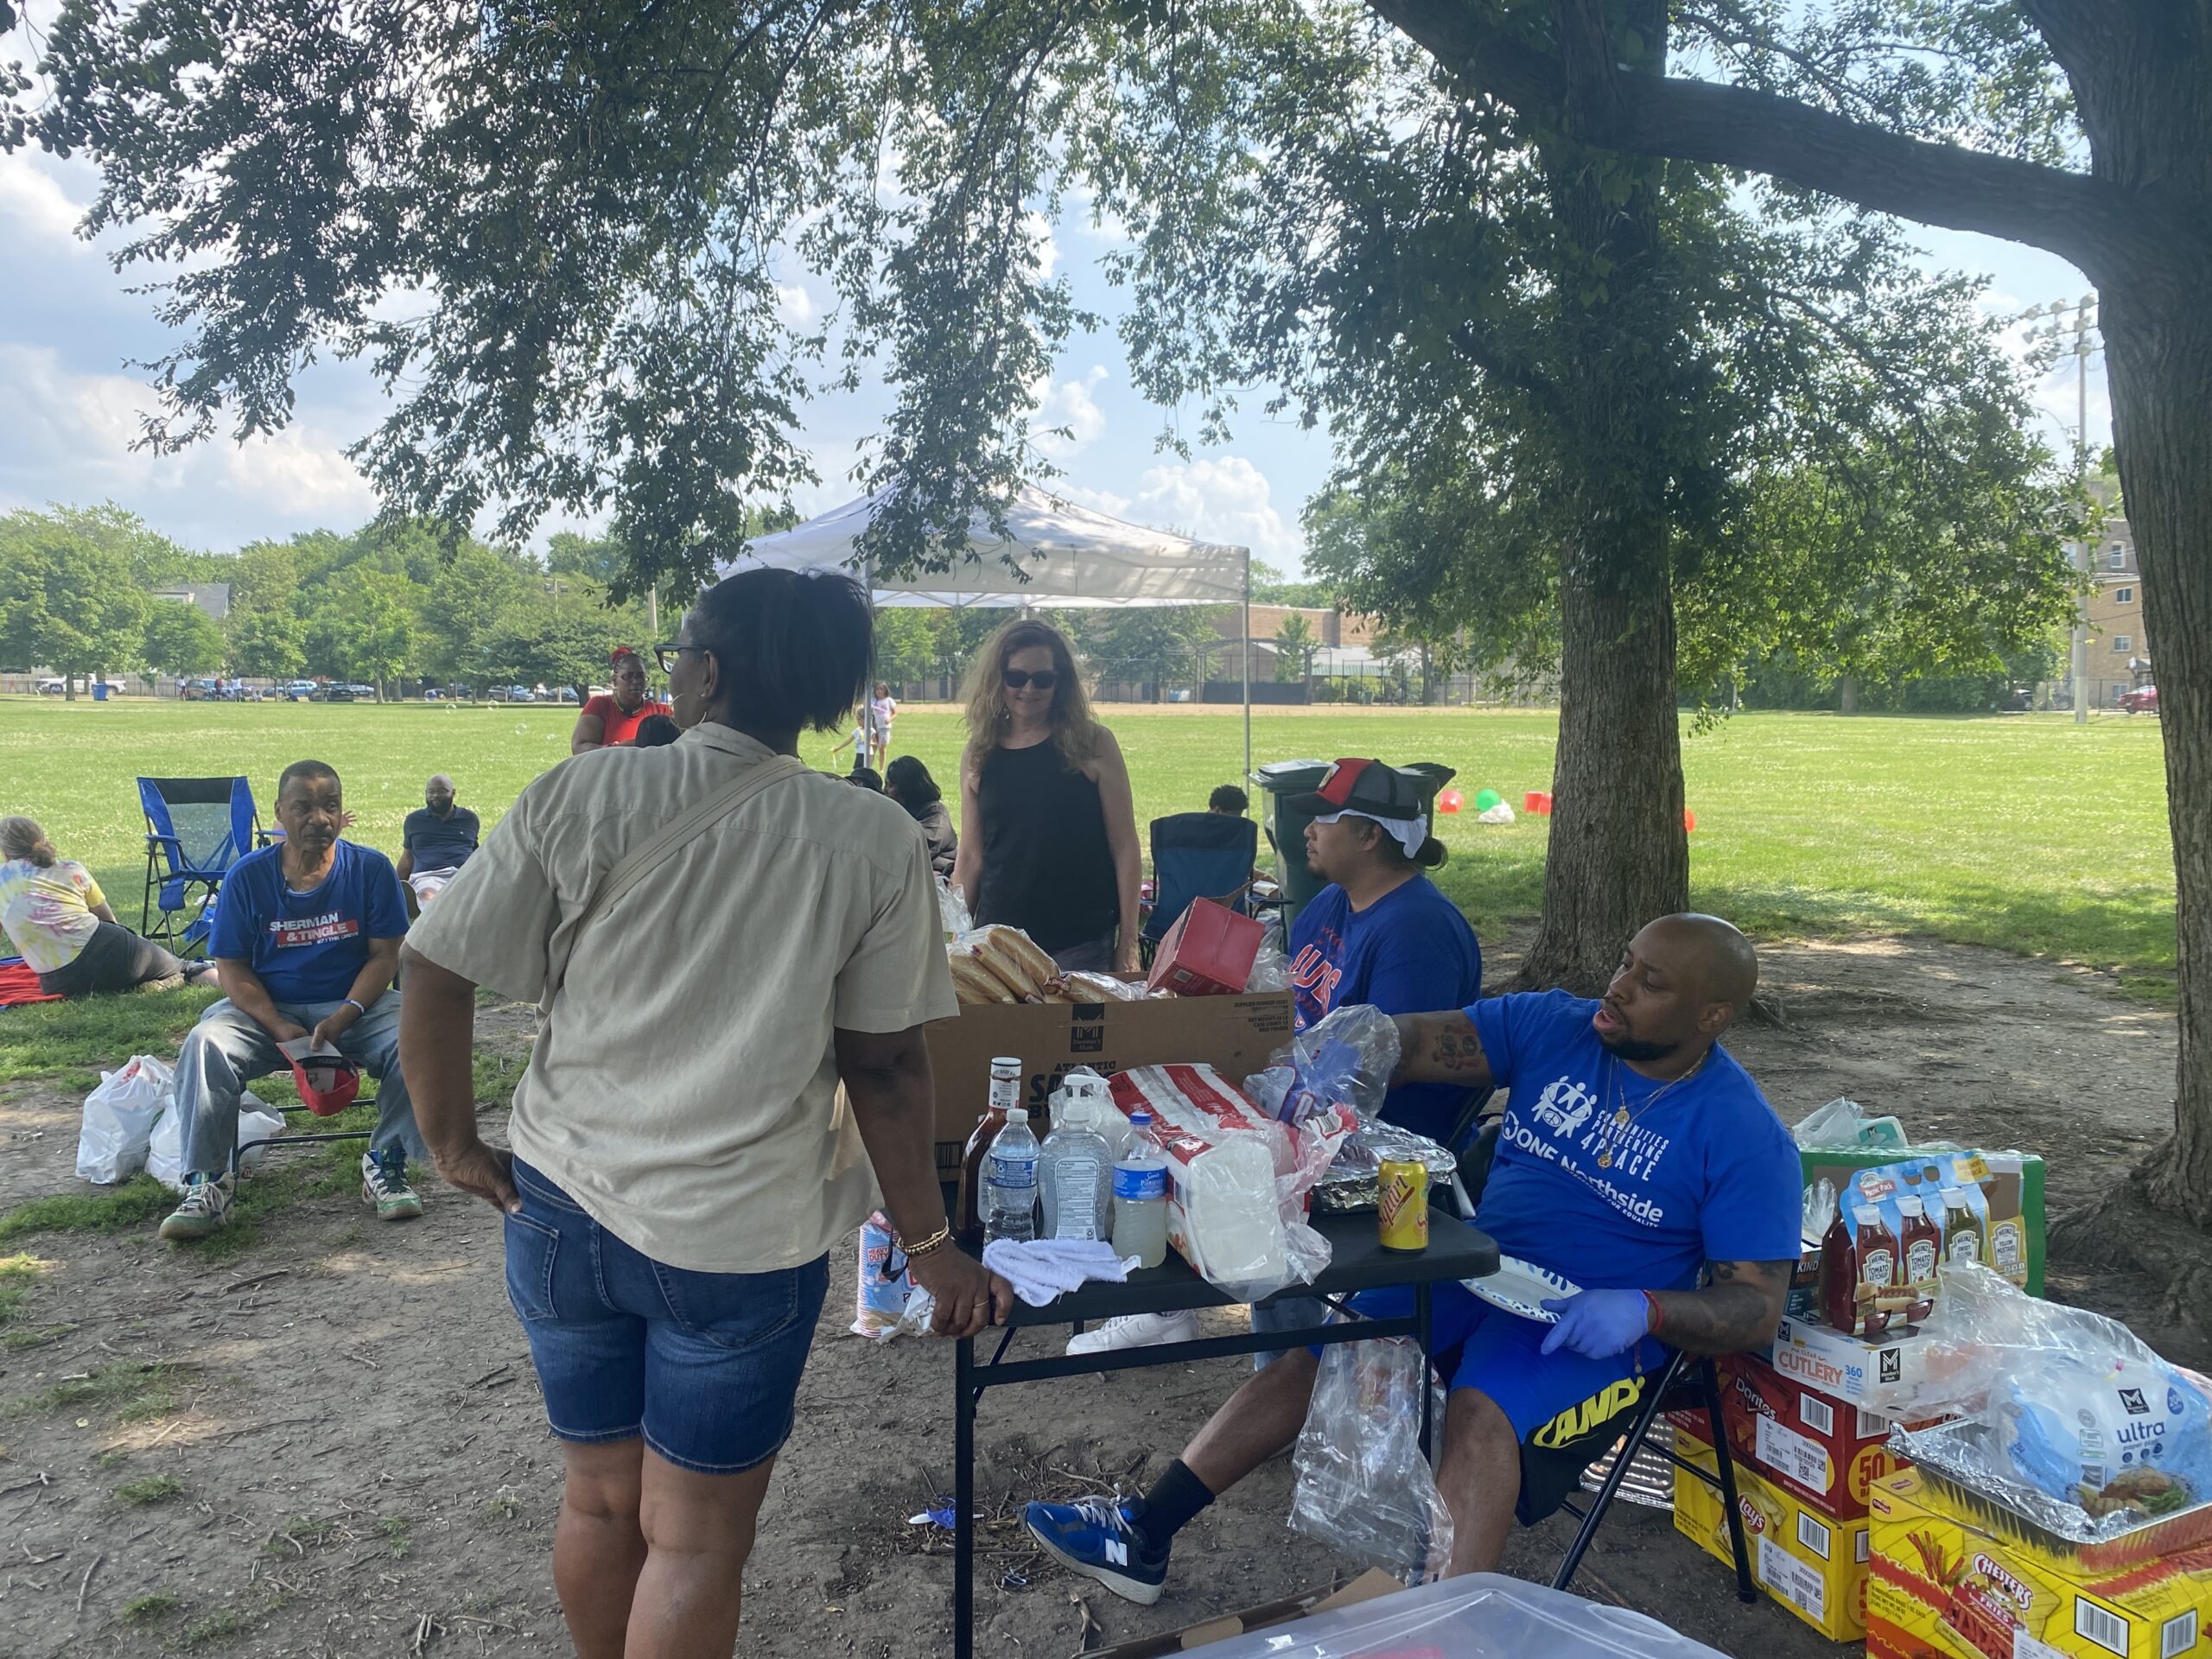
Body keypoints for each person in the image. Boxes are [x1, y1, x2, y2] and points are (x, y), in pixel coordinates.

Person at [398, 566, 1013, 1659]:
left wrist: (450, 1144)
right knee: (694, 1543)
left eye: (680, 649)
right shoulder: (868, 838)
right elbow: (882, 1068)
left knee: (595, 1500)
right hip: (741, 1239)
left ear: (708, 670)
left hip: (558, 1205)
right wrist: (930, 1247)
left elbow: (434, 966)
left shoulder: (579, 792)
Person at [1024, 914, 1802, 1602]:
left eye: (1650, 981)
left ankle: (1444, 1631)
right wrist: (1361, 1045)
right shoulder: (1559, 1026)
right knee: (1325, 1351)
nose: (1621, 985)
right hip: (1480, 1268)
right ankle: (1143, 1532)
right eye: (1626, 961)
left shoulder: (1743, 1135)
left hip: (1592, 1321)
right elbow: (1428, 1040)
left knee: (1480, 1412)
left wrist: (1646, 1309)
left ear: (1713, 1015)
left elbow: (1755, 1306)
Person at [1073, 758, 1486, 1358]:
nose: (1308, 831)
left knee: (1227, 1156)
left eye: (1324, 818)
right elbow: (1287, 1014)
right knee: (1159, 1123)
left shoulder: (1417, 930)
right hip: (1307, 1110)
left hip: (1383, 1149)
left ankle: (1285, 1366)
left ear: (1370, 835)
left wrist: (1265, 1112)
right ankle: (1182, 1313)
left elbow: (1384, 1070)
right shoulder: (1327, 905)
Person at [157, 761, 427, 1242]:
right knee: (206, 1044)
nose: (318, 819)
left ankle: (387, 1162)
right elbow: (232, 968)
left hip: (353, 1005)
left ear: (344, 815)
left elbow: (386, 956)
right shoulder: (248, 877)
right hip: (266, 1011)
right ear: (279, 812)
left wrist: (346, 1015)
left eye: (330, 806)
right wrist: (278, 1026)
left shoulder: (371, 869)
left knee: (420, 1036)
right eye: (303, 807)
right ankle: (208, 1182)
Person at [951, 620, 1141, 973]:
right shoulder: (979, 752)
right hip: (996, 946)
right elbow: (971, 857)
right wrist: (951, 939)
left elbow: (1126, 846)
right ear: (999, 679)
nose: (1028, 688)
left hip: (1078, 942)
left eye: (1042, 679)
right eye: (1016, 677)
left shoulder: (1093, 743)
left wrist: (1128, 943)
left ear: (1061, 682)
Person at [0, 816, 213, 995]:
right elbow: (108, 919)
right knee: (186, 967)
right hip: (108, 949)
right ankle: (220, 979)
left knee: (130, 971)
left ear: (6, 851)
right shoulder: (70, 869)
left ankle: (154, 981)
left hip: (59, 981)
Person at [397, 774, 480, 912]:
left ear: (453, 793)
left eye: (442, 791)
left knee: (472, 896)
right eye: (431, 791)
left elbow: (475, 852)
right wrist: (393, 885)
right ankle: (424, 911)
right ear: (426, 794)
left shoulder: (469, 819)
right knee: (427, 894)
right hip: (428, 875)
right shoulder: (414, 820)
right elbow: (408, 857)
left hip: (462, 874)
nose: (435, 795)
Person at [571, 650, 671, 752]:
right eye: (628, 676)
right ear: (614, 681)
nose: (636, 681)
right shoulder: (599, 706)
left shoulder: (662, 713)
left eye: (640, 676)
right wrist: (617, 749)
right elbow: (579, 748)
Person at [884, 755, 958, 880]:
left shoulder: (937, 815)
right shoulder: (904, 812)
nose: (885, 790)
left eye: (890, 785)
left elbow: (909, 849)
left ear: (906, 788)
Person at [868, 681, 898, 769]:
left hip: (884, 728)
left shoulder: (889, 701)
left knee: (882, 749)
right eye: (877, 689)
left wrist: (889, 719)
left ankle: (881, 768)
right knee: (872, 748)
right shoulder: (873, 701)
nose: (879, 691)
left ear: (885, 690)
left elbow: (895, 713)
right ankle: (868, 767)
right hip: (874, 728)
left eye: (881, 689)